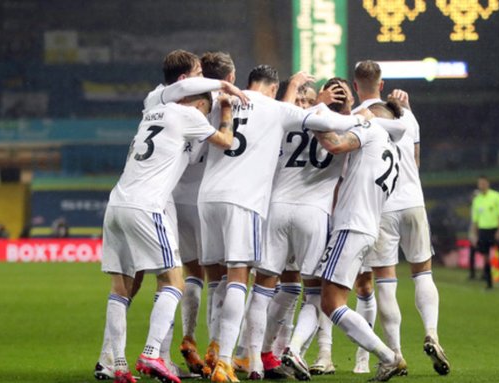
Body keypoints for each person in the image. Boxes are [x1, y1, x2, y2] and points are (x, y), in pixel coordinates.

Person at [196, 65, 369, 383]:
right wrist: (355, 114)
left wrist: (301, 93)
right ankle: (292, 349)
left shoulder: (275, 119)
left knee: (261, 289)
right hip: (312, 214)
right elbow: (337, 139)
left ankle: (255, 360)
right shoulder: (310, 121)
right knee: (312, 293)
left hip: (270, 210)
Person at [99, 87, 234, 383]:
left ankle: (116, 364)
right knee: (174, 283)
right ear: (199, 103)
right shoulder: (189, 114)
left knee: (120, 289)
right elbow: (226, 140)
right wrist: (225, 110)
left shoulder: (151, 112)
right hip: (147, 206)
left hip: (116, 203)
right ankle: (151, 353)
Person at [281, 97, 408, 382]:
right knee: (328, 299)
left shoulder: (371, 129)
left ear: (373, 116)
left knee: (331, 302)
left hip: (351, 226)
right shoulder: (392, 148)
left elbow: (336, 144)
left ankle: (388, 357)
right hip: (365, 226)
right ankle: (296, 351)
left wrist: (313, 119)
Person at [352, 60, 450, 375]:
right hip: (413, 203)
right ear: (381, 84)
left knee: (385, 282)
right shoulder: (407, 115)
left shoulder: (357, 118)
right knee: (423, 274)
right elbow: (416, 162)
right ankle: (432, 333)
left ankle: (395, 353)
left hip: (382, 207)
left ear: (357, 86)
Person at [174, 51, 239, 377]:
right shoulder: (223, 104)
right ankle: (216, 345)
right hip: (208, 198)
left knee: (187, 275)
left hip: (174, 196)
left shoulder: (181, 101)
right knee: (223, 275)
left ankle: (185, 338)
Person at [470, 175, 499, 292]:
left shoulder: (496, 197)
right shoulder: (477, 200)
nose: (482, 185)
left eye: (484, 183)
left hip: (495, 230)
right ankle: (489, 285)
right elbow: (475, 220)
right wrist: (474, 234)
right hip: (483, 231)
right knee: (486, 258)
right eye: (480, 183)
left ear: (488, 184)